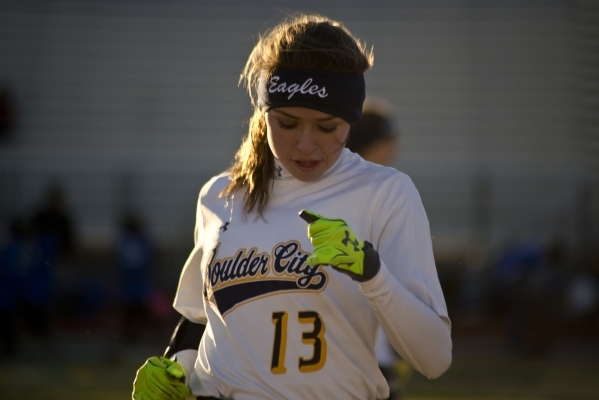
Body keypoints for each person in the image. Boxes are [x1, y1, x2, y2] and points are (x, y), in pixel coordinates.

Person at [133, 14, 452, 400]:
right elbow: (201, 317)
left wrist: (372, 273)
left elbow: (435, 359)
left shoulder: (386, 193)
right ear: (263, 114)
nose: (304, 144)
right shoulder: (219, 195)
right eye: (286, 123)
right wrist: (175, 368)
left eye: (326, 127)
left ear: (351, 121)